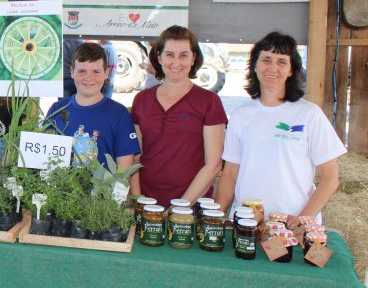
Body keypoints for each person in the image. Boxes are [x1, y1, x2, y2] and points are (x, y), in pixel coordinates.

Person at [216, 32, 346, 227]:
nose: (272, 68)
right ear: (255, 65)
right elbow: (230, 174)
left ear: (291, 70)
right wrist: (216, 217)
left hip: (292, 227)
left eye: (282, 62)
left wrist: (302, 220)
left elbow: (330, 177)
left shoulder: (309, 114)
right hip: (246, 224)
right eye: (266, 60)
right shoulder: (240, 115)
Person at [129, 26, 227, 207]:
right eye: (169, 55)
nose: (176, 62)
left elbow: (213, 165)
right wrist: (138, 201)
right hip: (147, 204)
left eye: (183, 55)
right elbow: (135, 157)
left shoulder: (209, 101)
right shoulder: (142, 100)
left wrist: (179, 208)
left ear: (193, 58)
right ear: (159, 57)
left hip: (192, 207)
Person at [46, 42, 140, 169]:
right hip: (60, 181)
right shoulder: (56, 110)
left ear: (106, 73)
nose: (88, 77)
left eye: (96, 71)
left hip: (105, 182)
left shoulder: (119, 114)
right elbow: (43, 159)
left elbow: (124, 171)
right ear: (72, 72)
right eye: (82, 71)